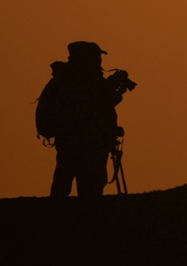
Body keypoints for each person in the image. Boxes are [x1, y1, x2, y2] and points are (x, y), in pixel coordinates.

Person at [37, 42, 134, 198]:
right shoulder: (84, 82)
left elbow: (99, 104)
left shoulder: (66, 81)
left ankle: (56, 215)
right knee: (87, 188)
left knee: (64, 182)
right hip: (86, 143)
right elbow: (95, 107)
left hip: (72, 143)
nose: (99, 61)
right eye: (96, 57)